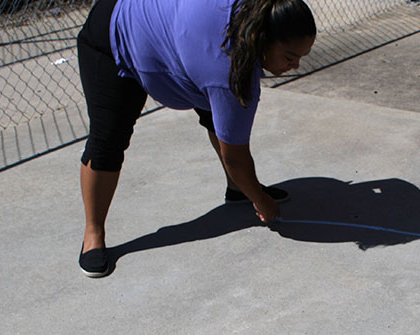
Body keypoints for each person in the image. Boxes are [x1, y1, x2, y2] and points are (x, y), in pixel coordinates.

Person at [76, 0, 316, 277]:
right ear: (261, 39)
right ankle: (93, 234)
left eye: (301, 56)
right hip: (113, 32)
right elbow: (235, 156)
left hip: (178, 37)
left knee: (218, 111)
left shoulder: (247, 23)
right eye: (289, 57)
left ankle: (238, 190)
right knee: (109, 140)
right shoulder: (227, 70)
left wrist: (251, 190)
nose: (295, 65)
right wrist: (262, 202)